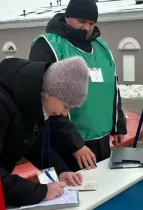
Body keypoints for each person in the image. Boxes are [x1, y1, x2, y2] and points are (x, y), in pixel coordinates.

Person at [29, 0, 127, 172]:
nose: (87, 28)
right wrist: (75, 144)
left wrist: (118, 126)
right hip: (68, 144)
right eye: (81, 21)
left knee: (104, 190)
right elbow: (44, 99)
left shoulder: (101, 47)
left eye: (91, 23)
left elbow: (113, 89)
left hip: (102, 140)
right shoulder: (48, 45)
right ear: (67, 17)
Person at [0, 56, 90, 206]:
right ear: (49, 92)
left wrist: (61, 171)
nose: (64, 114)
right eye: (66, 106)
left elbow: (34, 143)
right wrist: (40, 192)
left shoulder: (32, 99)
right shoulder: (3, 106)